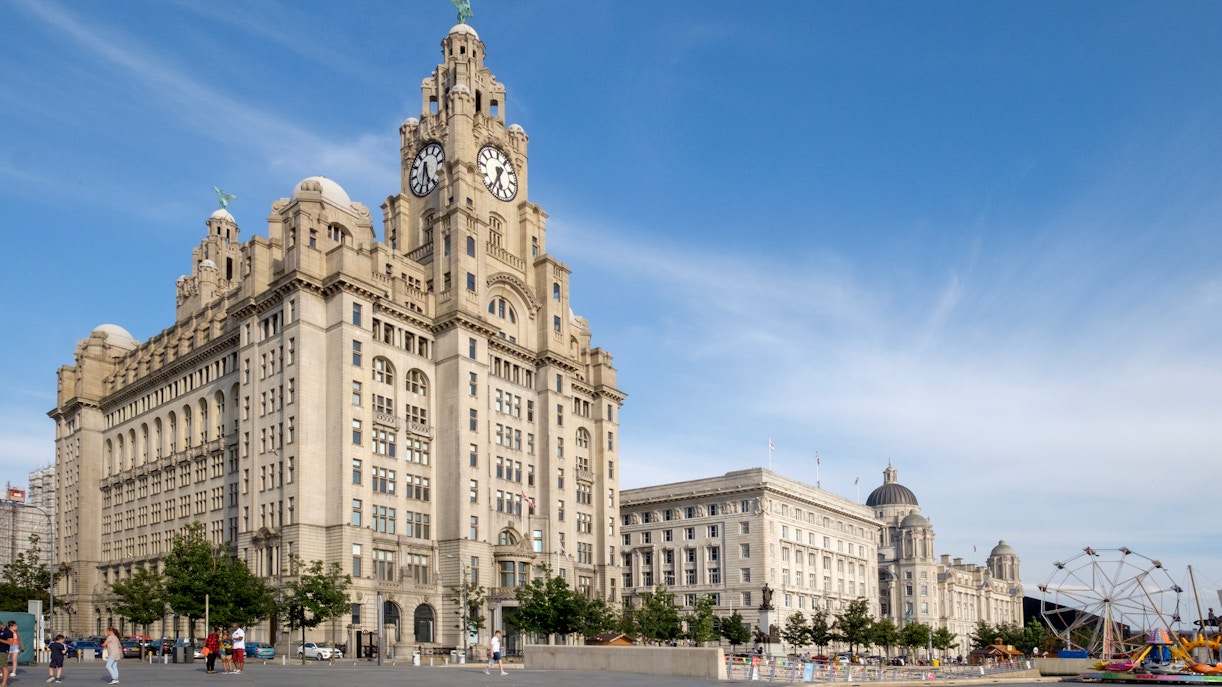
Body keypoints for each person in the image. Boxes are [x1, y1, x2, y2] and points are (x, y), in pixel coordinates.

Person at [0, 620, 14, 687]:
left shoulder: (8, 632)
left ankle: (4, 683)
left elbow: (10, 642)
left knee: (3, 666)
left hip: (3, 651)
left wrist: (0, 640)